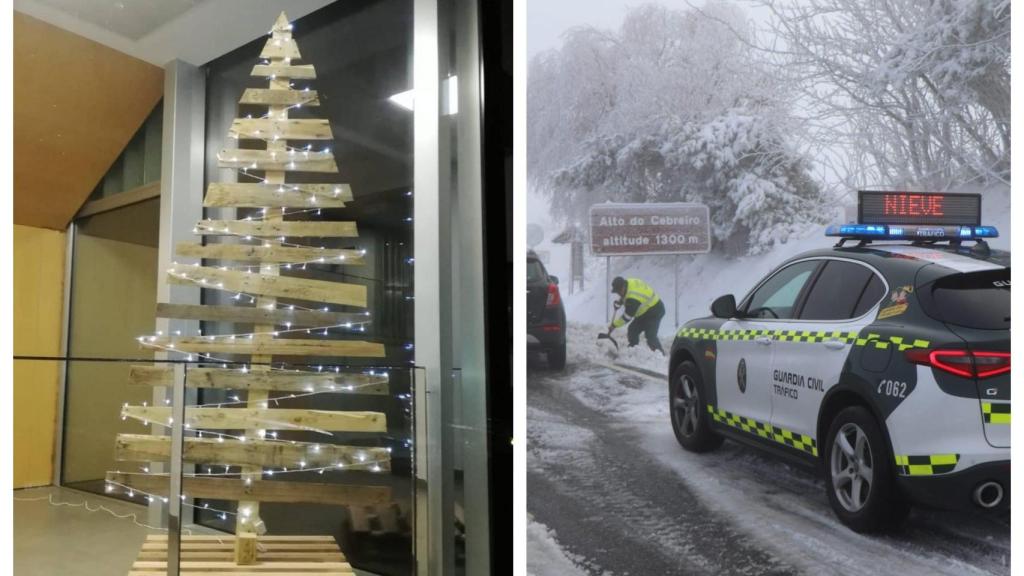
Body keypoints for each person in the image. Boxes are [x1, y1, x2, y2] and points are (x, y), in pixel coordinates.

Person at [607, 276, 665, 354]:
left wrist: (614, 325)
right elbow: (626, 295)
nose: (618, 294)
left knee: (650, 335)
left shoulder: (632, 299)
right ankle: (633, 350)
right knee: (632, 330)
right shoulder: (628, 283)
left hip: (655, 311)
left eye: (618, 292)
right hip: (645, 311)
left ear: (623, 287)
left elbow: (626, 317)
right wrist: (620, 301)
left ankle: (660, 356)